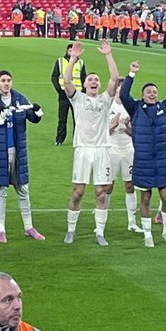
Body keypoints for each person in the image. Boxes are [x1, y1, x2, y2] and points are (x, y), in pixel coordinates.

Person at [120, 57, 166, 246]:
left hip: (162, 161)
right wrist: (131, 74)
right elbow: (124, 94)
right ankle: (147, 234)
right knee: (146, 197)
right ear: (143, 94)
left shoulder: (164, 107)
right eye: (149, 91)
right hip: (143, 161)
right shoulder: (136, 108)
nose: (152, 94)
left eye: (155, 92)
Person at [62, 39, 122, 245]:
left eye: (97, 80)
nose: (94, 82)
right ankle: (71, 230)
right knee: (78, 191)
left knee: (101, 192)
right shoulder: (77, 99)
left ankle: (99, 232)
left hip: (102, 149)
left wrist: (108, 54)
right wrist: (73, 58)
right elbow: (67, 81)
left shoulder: (105, 100)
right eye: (91, 80)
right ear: (85, 84)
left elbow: (114, 79)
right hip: (83, 149)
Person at [0, 70, 46, 242]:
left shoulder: (20, 98)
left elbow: (33, 117)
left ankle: (29, 227)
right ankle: (1, 230)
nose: (6, 83)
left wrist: (37, 110)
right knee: (1, 190)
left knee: (23, 189)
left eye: (8, 80)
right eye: (3, 80)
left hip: (18, 150)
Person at [109, 92, 140, 233]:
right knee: (108, 186)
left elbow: (135, 134)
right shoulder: (108, 106)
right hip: (112, 150)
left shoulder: (131, 107)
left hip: (128, 150)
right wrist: (113, 126)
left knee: (130, 185)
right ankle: (102, 219)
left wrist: (127, 127)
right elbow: (101, 132)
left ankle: (132, 223)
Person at [50, 43, 86, 146]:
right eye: (70, 51)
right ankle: (59, 139)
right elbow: (54, 77)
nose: (72, 53)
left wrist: (82, 92)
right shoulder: (60, 61)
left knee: (78, 119)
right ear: (67, 51)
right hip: (63, 95)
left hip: (77, 95)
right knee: (62, 119)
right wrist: (60, 90)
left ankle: (77, 139)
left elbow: (83, 78)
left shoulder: (81, 63)